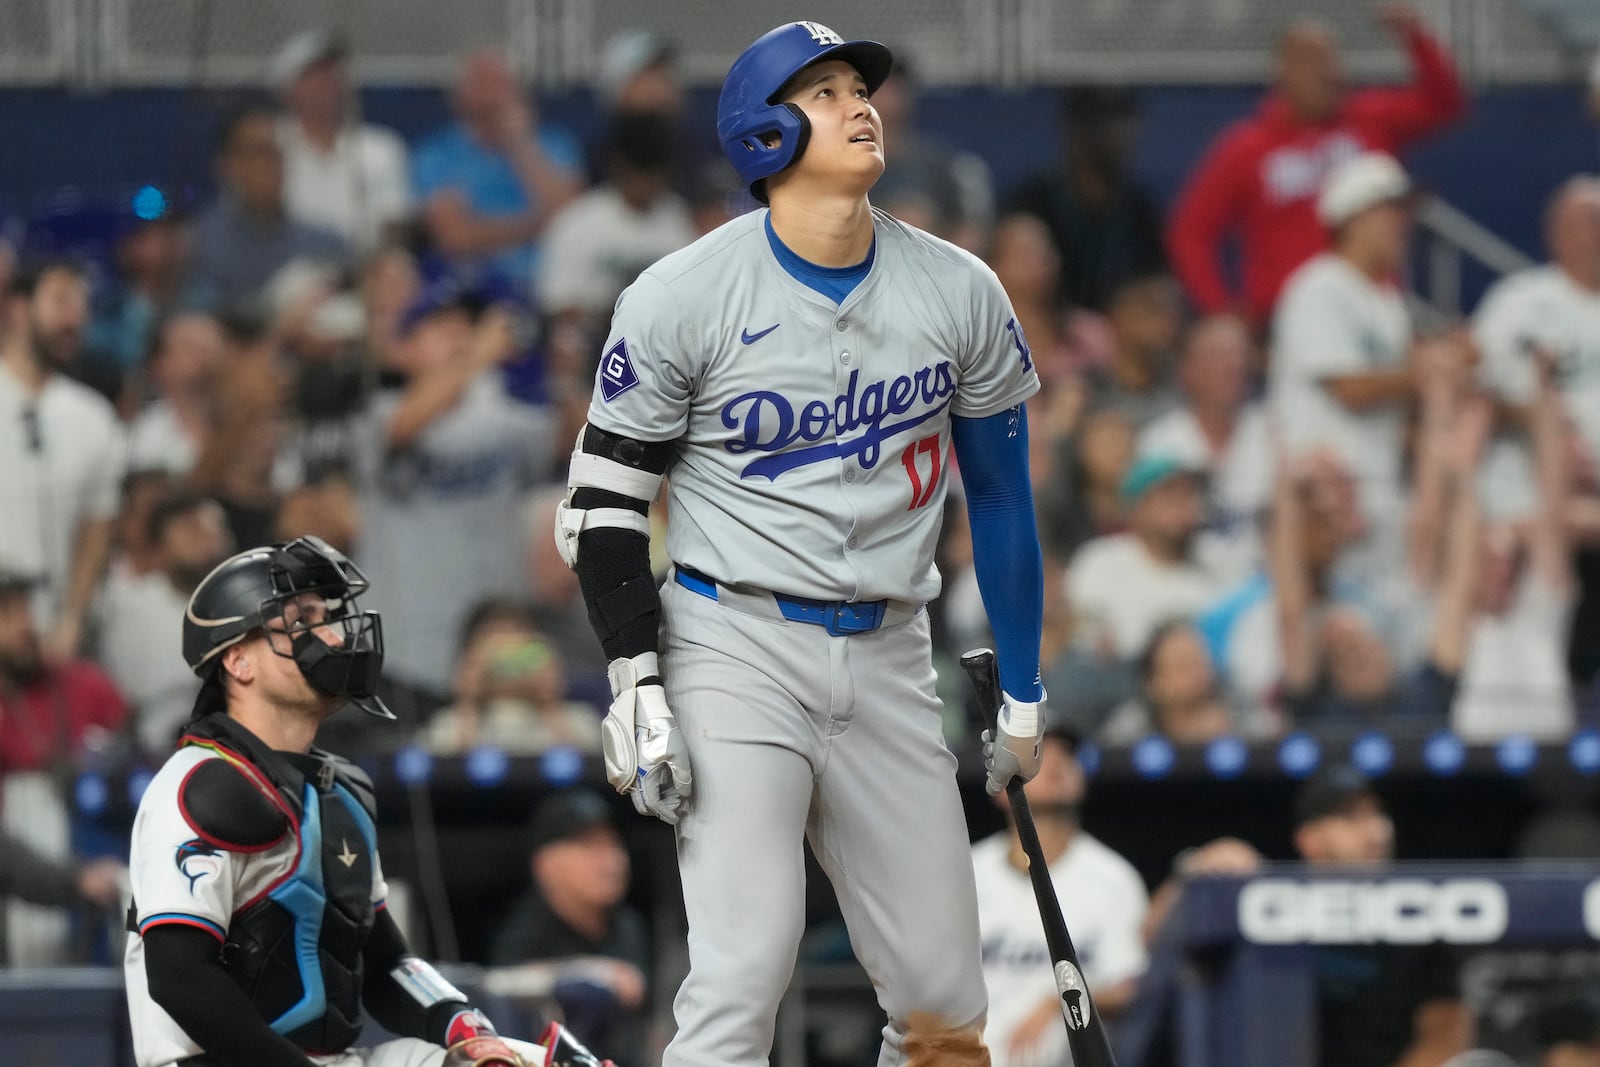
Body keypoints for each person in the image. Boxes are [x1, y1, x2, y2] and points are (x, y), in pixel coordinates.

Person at [555, 20, 1047, 1067]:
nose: (857, 103)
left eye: (858, 86)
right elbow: (601, 504)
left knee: (943, 1006)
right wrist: (636, 674)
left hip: (889, 648)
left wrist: (1026, 688)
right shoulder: (682, 292)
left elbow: (1001, 500)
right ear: (761, 133)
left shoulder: (959, 288)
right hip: (733, 637)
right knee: (742, 969)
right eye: (821, 91)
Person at [122, 535, 611, 1067]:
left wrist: (467, 1029)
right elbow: (180, 978)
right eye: (302, 618)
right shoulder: (195, 783)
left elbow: (385, 963)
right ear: (239, 661)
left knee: (545, 1064)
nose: (331, 634)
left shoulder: (339, 791)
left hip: (331, 1059)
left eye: (327, 616)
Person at [1167, 4, 1465, 326]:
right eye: (1310, 61)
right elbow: (1190, 231)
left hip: (1370, 304)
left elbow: (1445, 104)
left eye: (1330, 59)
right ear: (1282, 72)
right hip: (1285, 316)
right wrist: (1220, 311)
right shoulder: (1246, 147)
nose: (1327, 72)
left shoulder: (1369, 119)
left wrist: (1414, 34)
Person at [351, 282, 553, 707]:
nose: (459, 333)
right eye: (437, 324)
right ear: (402, 350)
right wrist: (477, 357)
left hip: (498, 653)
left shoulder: (508, 414)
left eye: (466, 323)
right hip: (406, 655)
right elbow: (402, 429)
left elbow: (564, 440)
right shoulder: (378, 412)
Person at [1268, 152, 1433, 584]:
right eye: (1391, 211)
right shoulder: (1319, 286)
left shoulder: (1388, 302)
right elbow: (1348, 388)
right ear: (1354, 219)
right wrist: (1432, 370)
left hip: (1379, 489)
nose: (1403, 224)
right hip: (1324, 496)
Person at [971, 720, 1148, 1067]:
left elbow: (1132, 986)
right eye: (1039, 754)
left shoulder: (1113, 878)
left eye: (1066, 755)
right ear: (999, 785)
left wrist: (1058, 1001)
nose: (1057, 763)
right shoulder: (967, 873)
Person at [1291, 765, 1473, 1067]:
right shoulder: (1275, 911)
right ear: (1310, 839)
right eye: (1351, 818)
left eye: (1376, 815)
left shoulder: (1419, 918)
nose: (1376, 830)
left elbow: (1447, 1031)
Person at [0, 260, 124, 658]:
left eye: (83, 304)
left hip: (54, 636)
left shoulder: (94, 416)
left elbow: (96, 527)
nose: (76, 316)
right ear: (18, 308)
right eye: (61, 300)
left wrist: (73, 617)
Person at [489, 789, 651, 1067]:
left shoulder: (627, 926)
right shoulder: (525, 928)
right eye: (589, 846)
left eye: (613, 844)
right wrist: (590, 974)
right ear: (545, 863)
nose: (611, 860)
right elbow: (496, 986)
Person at [411, 50, 585, 292]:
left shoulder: (555, 144)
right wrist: (536, 226)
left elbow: (571, 221)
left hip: (549, 282)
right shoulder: (436, 154)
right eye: (483, 83)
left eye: (501, 82)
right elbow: (454, 237)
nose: (493, 95)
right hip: (472, 286)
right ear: (460, 95)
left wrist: (521, 144)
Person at [96, 491, 234, 754]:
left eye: (212, 527)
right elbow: (124, 699)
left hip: (231, 741)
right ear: (159, 548)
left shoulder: (243, 603)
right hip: (153, 748)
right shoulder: (133, 606)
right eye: (190, 529)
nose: (205, 538)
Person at [1008, 87, 1166, 312]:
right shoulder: (1035, 201)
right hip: (1045, 332)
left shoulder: (1139, 207)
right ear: (1075, 132)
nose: (1118, 137)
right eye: (1104, 126)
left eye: (1124, 124)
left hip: (1116, 338)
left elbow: (1155, 280)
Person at [1138, 313, 1271, 582]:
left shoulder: (1275, 436)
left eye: (1239, 355)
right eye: (1217, 356)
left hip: (1260, 593)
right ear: (1188, 370)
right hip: (1180, 587)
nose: (1232, 366)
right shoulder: (1160, 441)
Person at [191, 105, 350, 310]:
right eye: (259, 152)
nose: (272, 162)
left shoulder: (327, 244)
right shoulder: (201, 246)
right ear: (228, 165)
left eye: (278, 151)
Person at [1066, 455, 1219, 660]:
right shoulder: (1099, 562)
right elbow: (1087, 647)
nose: (1183, 505)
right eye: (1169, 494)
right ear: (1138, 507)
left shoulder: (1214, 571)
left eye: (1189, 494)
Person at [273, 31, 413, 253]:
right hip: (287, 274)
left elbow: (395, 226)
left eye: (332, 73)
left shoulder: (381, 149)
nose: (326, 83)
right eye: (313, 75)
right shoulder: (269, 147)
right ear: (288, 88)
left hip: (364, 275)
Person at [419, 598, 601, 756]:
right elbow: (448, 776)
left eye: (519, 655)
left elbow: (587, 770)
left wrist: (550, 699)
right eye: (494, 653)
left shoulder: (579, 720)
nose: (508, 669)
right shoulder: (448, 725)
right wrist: (468, 700)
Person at [126, 311, 226, 477]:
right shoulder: (145, 437)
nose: (206, 358)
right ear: (159, 364)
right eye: (191, 348)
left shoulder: (247, 425)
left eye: (211, 348)